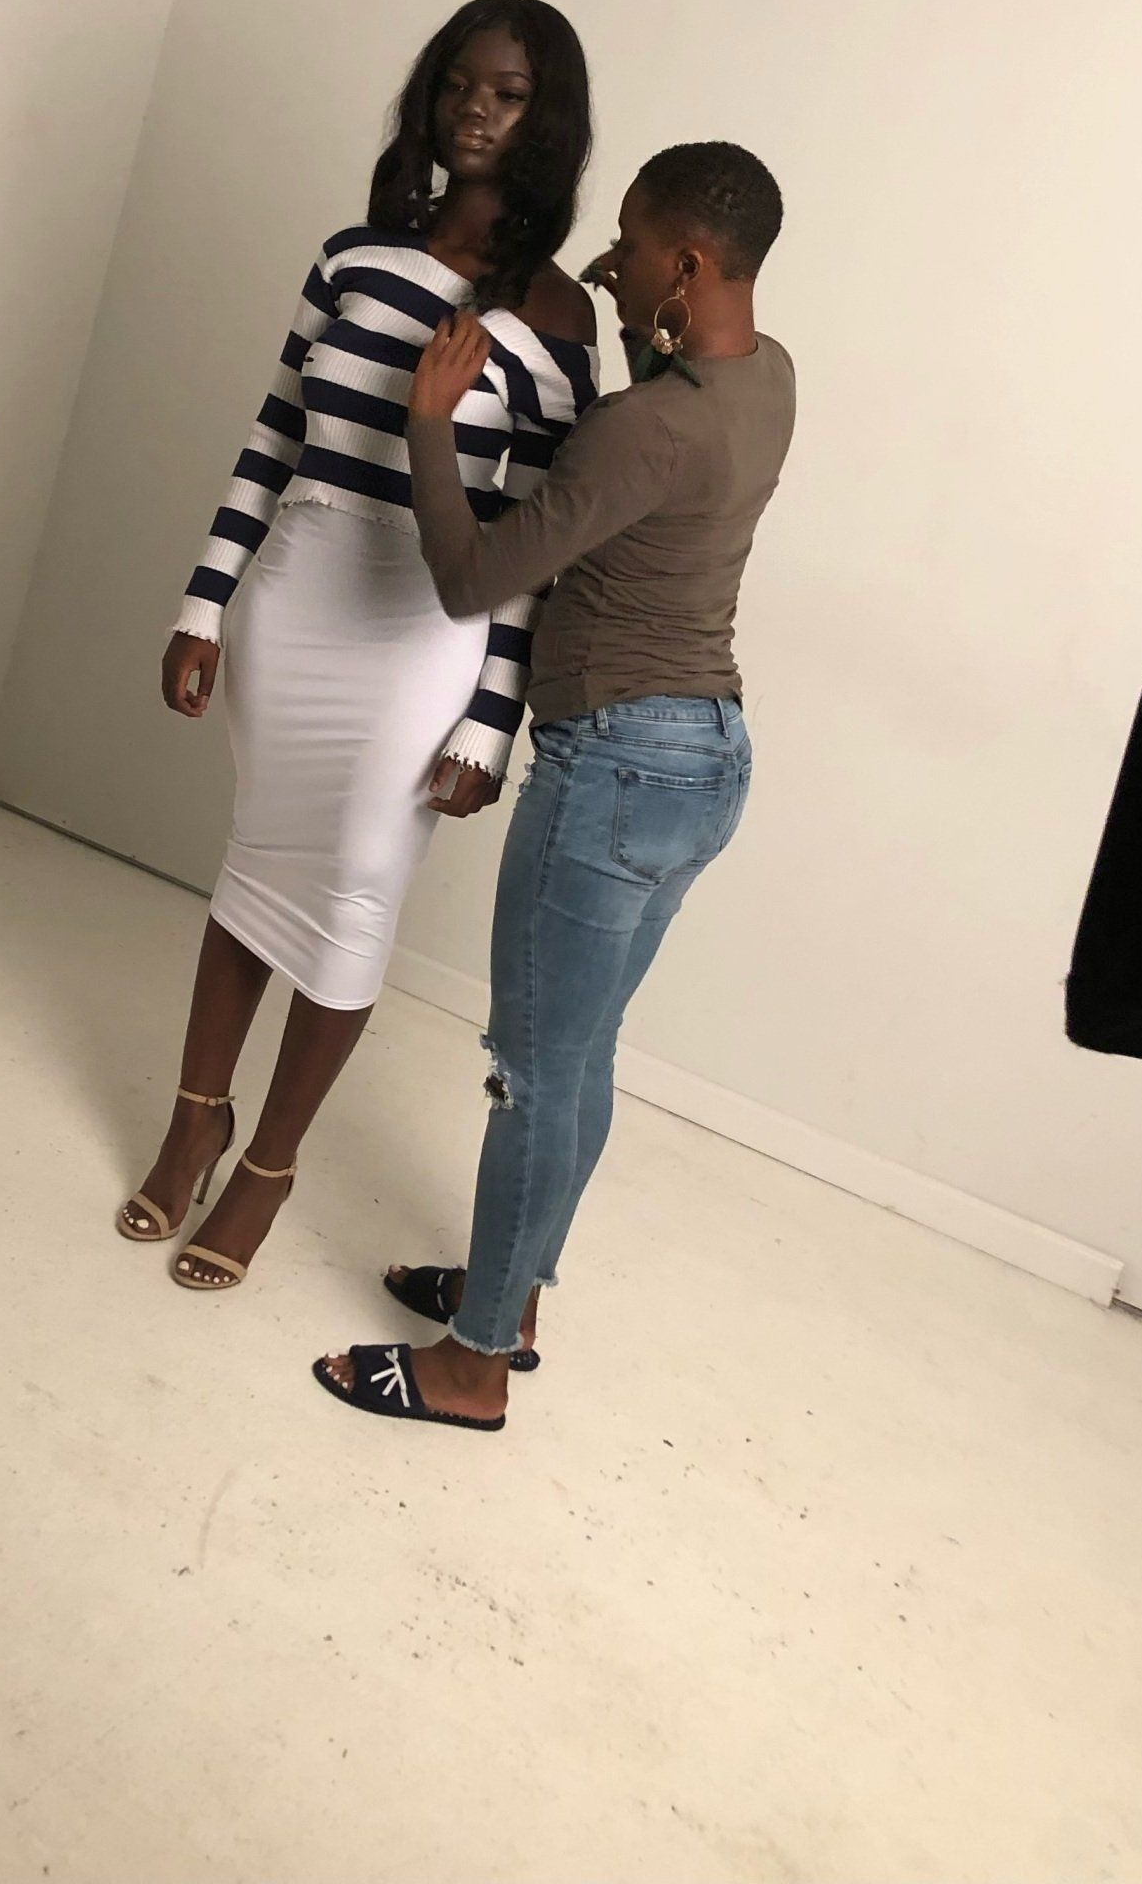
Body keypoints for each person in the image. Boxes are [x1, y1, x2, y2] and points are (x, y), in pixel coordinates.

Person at [116, 0, 599, 1289]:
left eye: (505, 92)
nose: (476, 111)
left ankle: (266, 1168)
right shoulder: (352, 258)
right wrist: (203, 603)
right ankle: (192, 1121)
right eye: (457, 85)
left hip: (423, 637)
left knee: (355, 894)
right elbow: (274, 436)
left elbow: (533, 540)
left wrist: (492, 720)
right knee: (253, 872)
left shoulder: (555, 320)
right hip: (297, 597)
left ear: (547, 119)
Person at [314, 139, 795, 1428]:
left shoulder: (647, 426)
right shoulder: (768, 384)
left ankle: (472, 1369)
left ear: (687, 264)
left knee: (535, 1070)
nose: (613, 258)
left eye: (634, 242)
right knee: (579, 1064)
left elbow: (472, 578)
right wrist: (646, 328)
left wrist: (426, 422)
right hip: (707, 763)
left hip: (614, 769)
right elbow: (663, 440)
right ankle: (513, 1293)